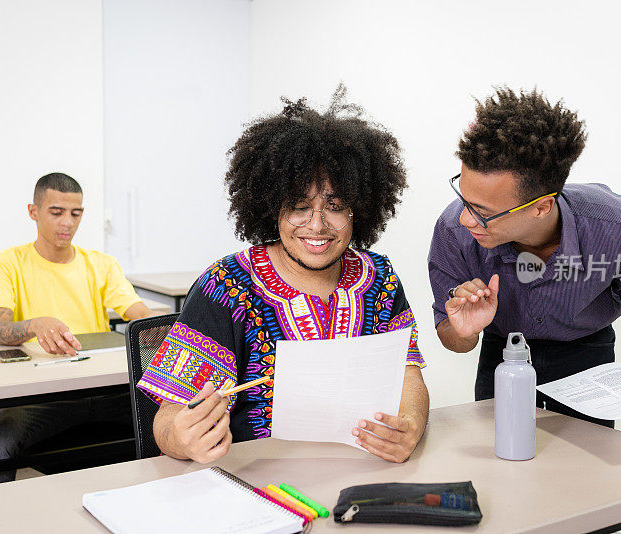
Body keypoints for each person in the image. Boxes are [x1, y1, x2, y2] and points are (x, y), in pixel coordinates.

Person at [137, 86, 429, 464]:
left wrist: (411, 424)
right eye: (299, 207)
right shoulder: (227, 285)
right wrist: (183, 438)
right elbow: (169, 418)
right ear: (271, 207)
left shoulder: (380, 278)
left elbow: (408, 376)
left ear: (360, 208)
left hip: (364, 473)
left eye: (335, 206)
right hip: (256, 483)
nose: (317, 225)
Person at [428, 87, 621, 428]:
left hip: (586, 351)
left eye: (482, 211)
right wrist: (466, 331)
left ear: (541, 207)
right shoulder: (454, 231)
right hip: (503, 350)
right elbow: (453, 337)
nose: (466, 218)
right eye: (463, 198)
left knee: (584, 466)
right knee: (502, 461)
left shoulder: (619, 228)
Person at [0, 172, 156, 485]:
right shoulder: (6, 263)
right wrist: (34, 325)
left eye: (76, 213)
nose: (67, 223)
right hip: (41, 395)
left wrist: (155, 326)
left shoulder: (101, 264)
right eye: (56, 213)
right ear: (34, 212)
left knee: (180, 415)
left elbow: (138, 314)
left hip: (104, 389)